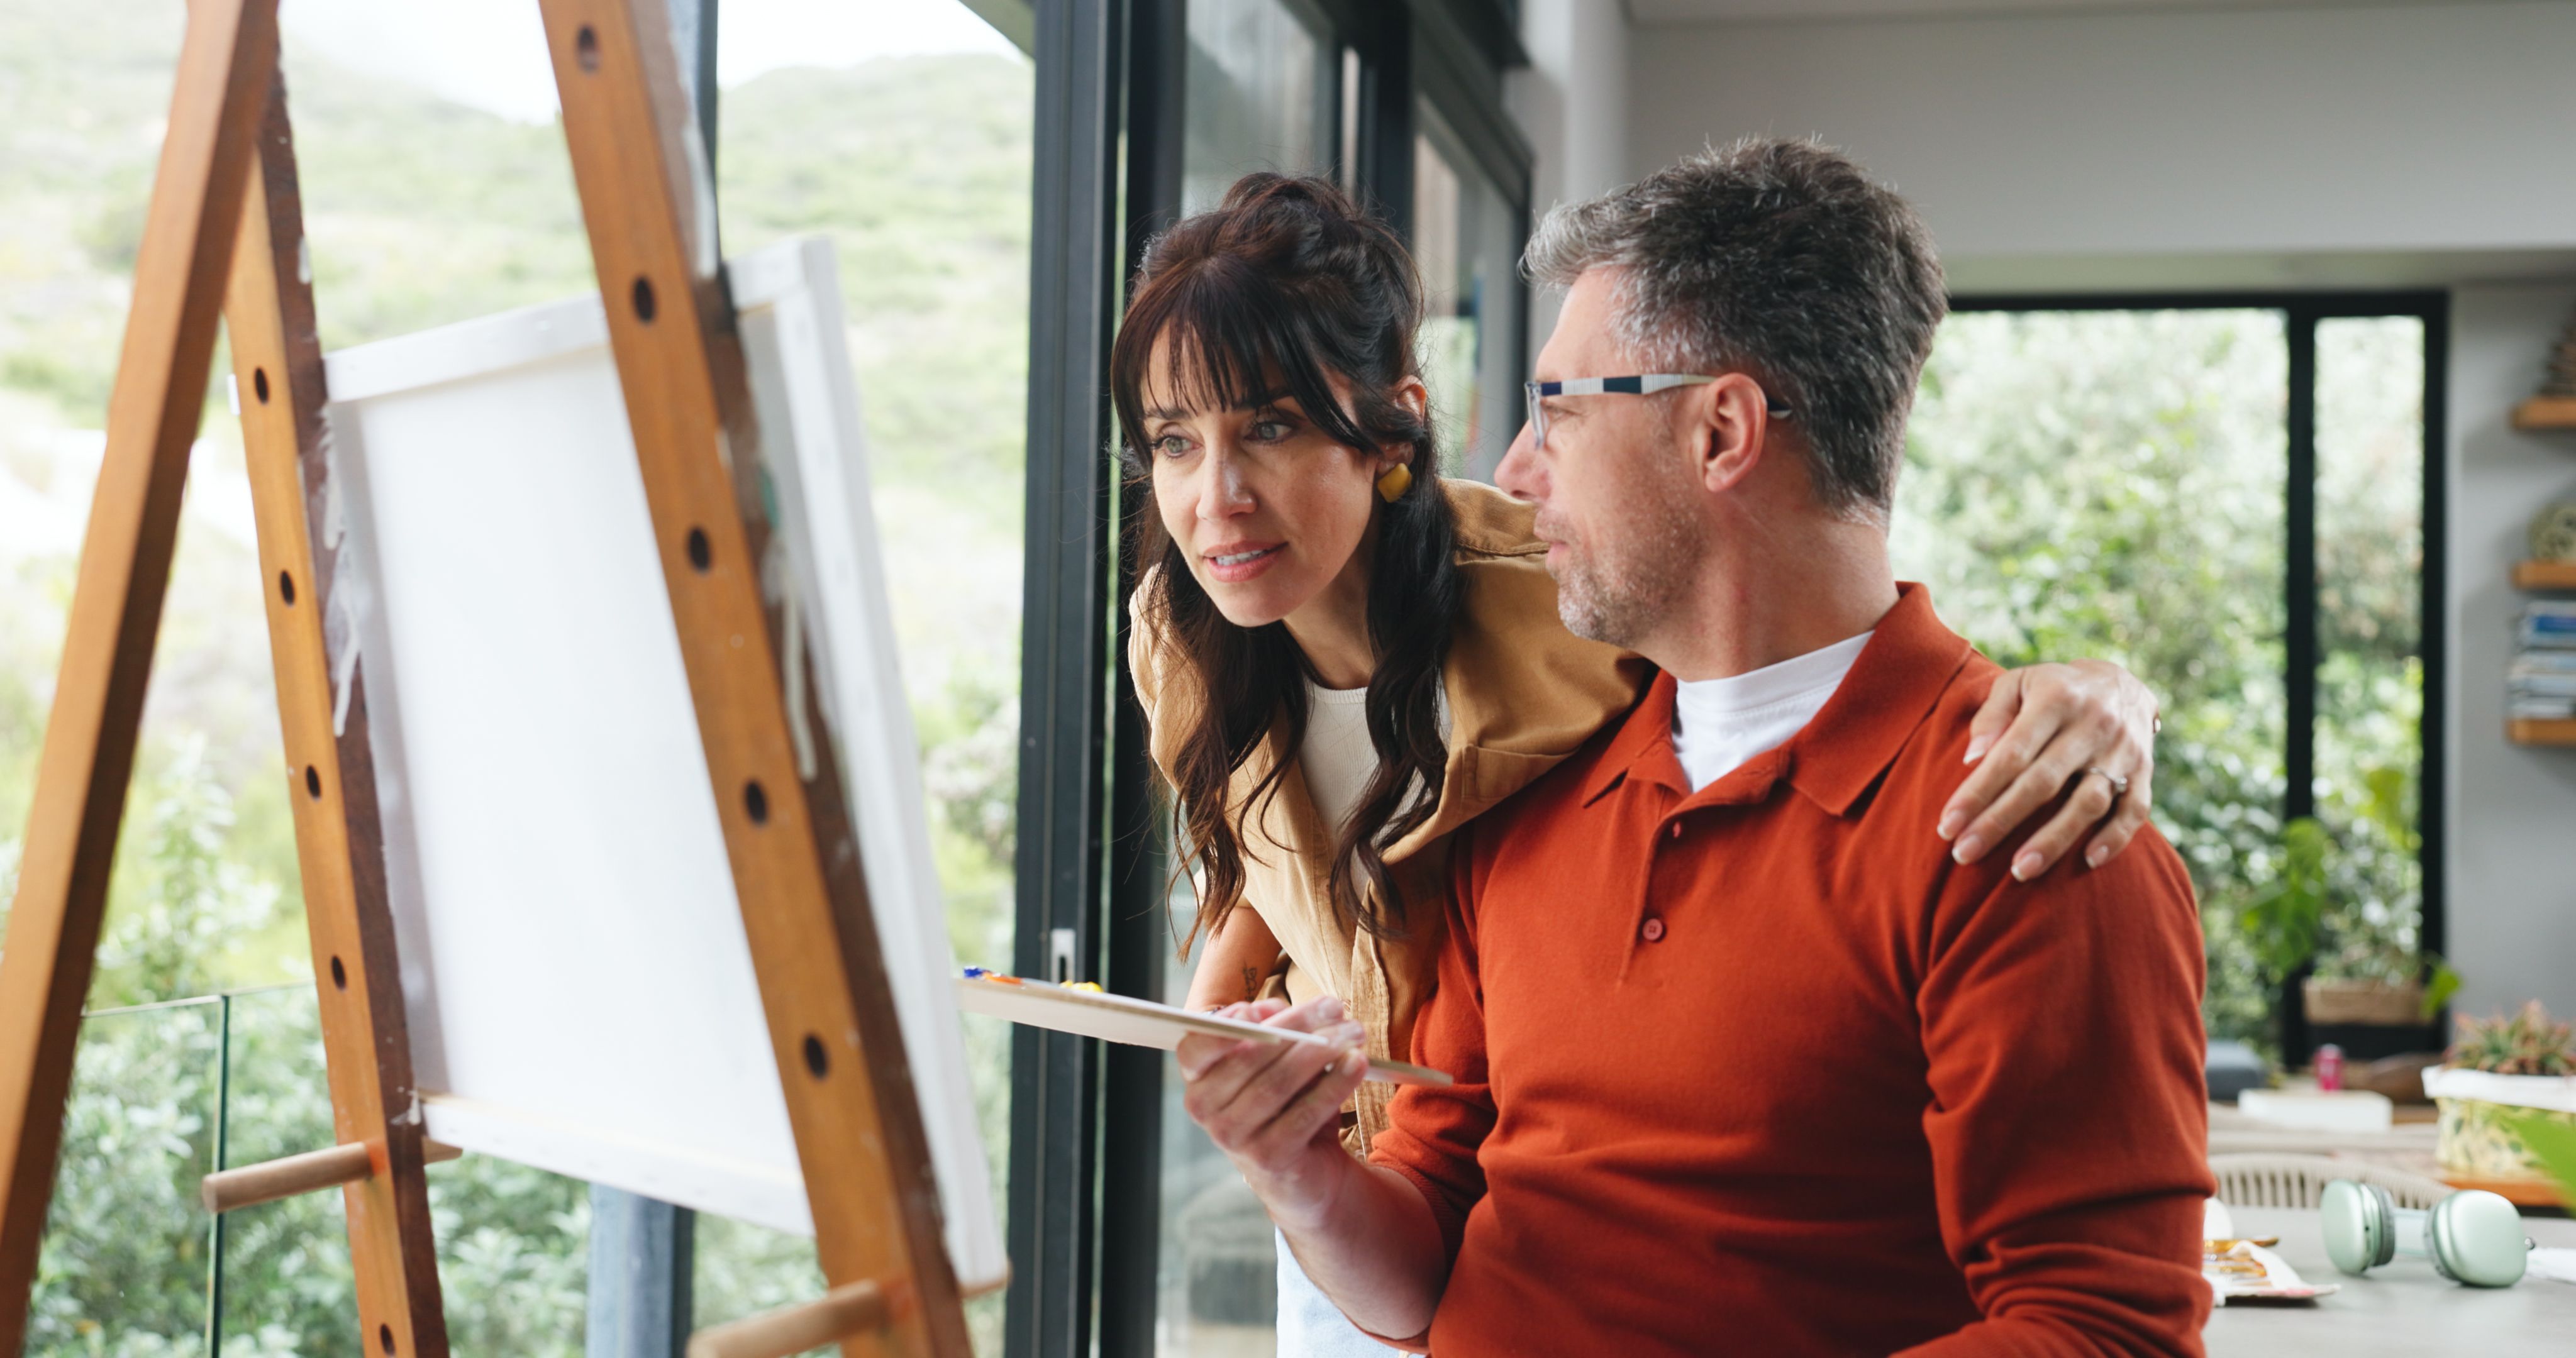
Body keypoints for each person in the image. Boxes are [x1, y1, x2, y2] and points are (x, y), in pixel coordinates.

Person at [1168, 143, 2212, 1355]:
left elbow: (2106, 1332)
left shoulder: (2027, 830)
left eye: (1558, 409)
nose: (1512, 472)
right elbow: (1424, 1261)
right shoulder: (1530, 783)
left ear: (1722, 431)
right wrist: (1295, 1169)